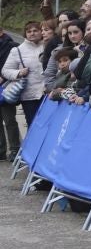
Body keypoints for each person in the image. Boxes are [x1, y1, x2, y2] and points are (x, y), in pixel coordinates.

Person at [1, 20, 50, 154]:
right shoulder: (17, 50)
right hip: (30, 95)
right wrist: (18, 73)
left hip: (48, 93)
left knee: (49, 126)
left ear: (41, 32)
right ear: (25, 34)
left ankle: (45, 154)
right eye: (29, 31)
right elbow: (6, 71)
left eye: (35, 30)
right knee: (33, 125)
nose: (32, 33)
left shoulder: (48, 46)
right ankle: (33, 154)